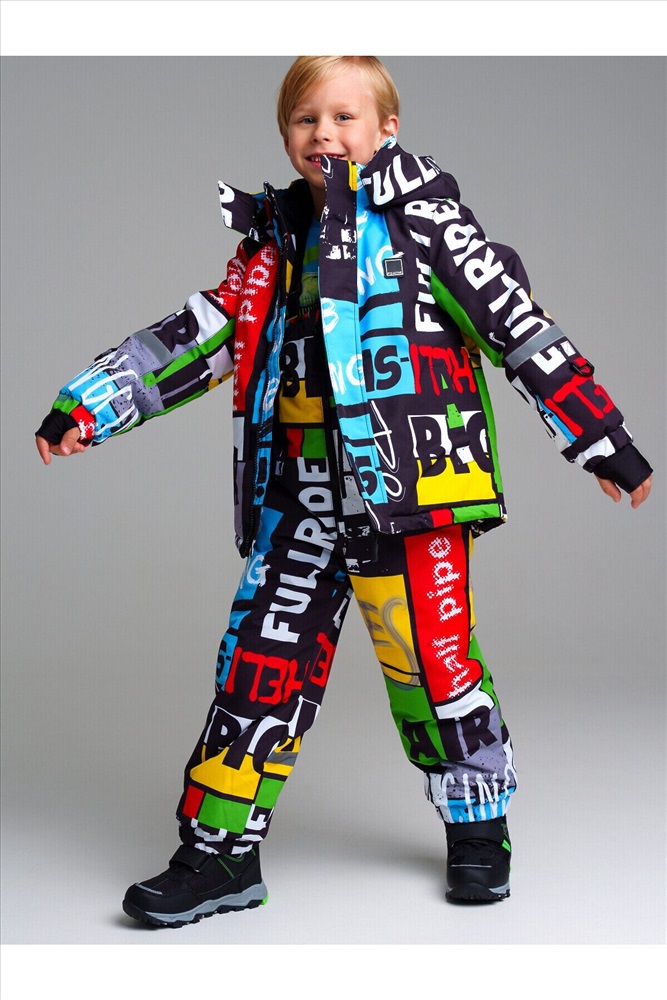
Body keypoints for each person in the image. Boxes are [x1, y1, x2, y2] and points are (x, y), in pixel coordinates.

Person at [35, 56, 652, 927]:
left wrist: (601, 439)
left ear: (386, 129)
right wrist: (89, 404)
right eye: (304, 120)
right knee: (256, 669)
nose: (323, 133)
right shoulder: (271, 247)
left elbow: (516, 327)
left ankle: (478, 828)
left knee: (433, 670)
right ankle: (218, 853)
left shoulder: (430, 226)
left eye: (343, 117)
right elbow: (202, 336)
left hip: (413, 501)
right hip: (300, 502)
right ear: (285, 136)